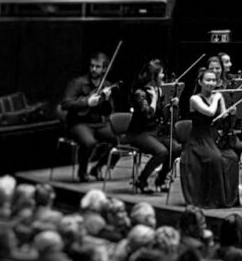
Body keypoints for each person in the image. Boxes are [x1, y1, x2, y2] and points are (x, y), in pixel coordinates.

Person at [180, 64, 235, 208]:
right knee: (215, 158)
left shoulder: (217, 97)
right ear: (200, 82)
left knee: (232, 157)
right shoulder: (194, 99)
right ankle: (213, 200)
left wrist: (230, 112)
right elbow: (210, 112)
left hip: (212, 136)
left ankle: (228, 198)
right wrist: (217, 99)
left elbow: (221, 117)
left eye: (214, 80)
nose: (211, 83)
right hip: (198, 139)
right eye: (208, 80)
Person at [62, 52, 122, 181]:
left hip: (98, 123)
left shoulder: (106, 85)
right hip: (79, 123)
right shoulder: (78, 83)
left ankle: (98, 167)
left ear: (104, 69)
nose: (93, 69)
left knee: (120, 143)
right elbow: (65, 104)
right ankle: (82, 171)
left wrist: (106, 99)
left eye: (97, 67)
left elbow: (107, 112)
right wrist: (87, 102)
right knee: (89, 143)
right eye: (92, 66)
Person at [117, 59, 173, 193]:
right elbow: (148, 114)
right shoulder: (140, 93)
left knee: (175, 148)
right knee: (162, 152)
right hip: (138, 133)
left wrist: (170, 103)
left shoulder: (158, 90)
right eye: (161, 73)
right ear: (153, 76)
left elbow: (163, 115)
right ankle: (141, 180)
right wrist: (154, 99)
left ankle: (161, 179)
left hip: (153, 132)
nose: (163, 76)